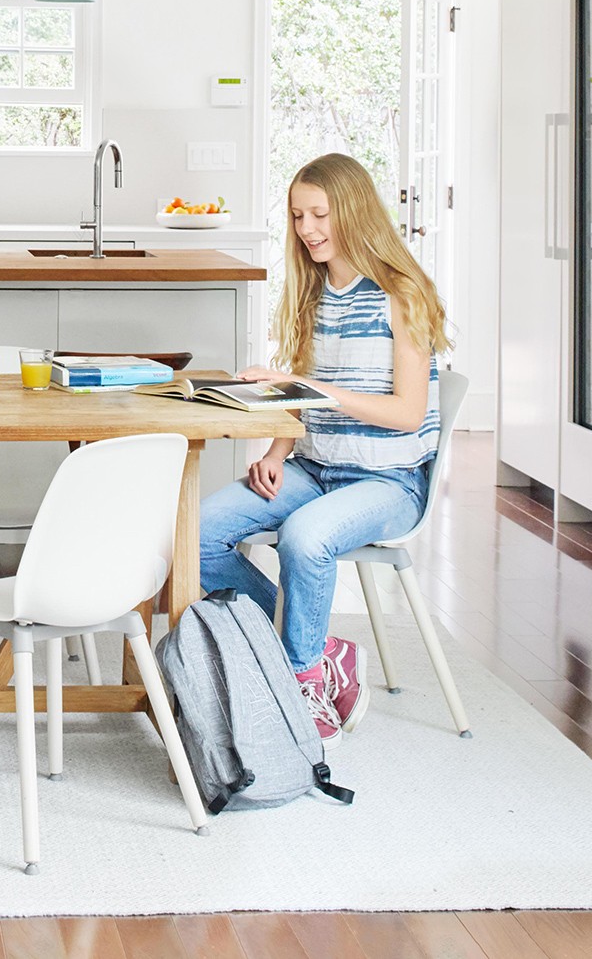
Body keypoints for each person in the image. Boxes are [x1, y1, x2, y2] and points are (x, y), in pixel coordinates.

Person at [198, 152, 450, 748]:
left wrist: (320, 392)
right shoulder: (313, 294)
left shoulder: (401, 294)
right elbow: (303, 393)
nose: (307, 229)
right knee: (200, 531)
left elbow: (407, 413)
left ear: (354, 212)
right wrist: (279, 447)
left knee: (304, 538)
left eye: (319, 214)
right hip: (317, 467)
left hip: (389, 481)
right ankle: (317, 647)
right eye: (297, 216)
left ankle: (302, 678)